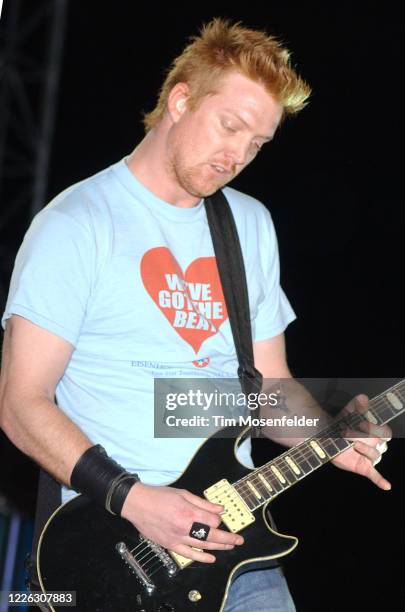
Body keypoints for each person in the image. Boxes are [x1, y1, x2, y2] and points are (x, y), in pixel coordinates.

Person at [0, 18, 391, 612]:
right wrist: (134, 499)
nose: (237, 154)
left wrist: (331, 438)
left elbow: (270, 390)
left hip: (231, 539)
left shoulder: (249, 225)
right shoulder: (76, 223)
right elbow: (21, 404)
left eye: (257, 143)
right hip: (107, 543)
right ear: (181, 100)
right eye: (230, 126)